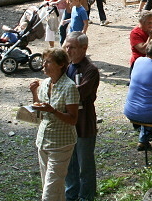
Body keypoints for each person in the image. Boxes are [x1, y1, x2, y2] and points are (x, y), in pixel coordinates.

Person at [29, 48, 80, 200]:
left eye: (48, 61)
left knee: (49, 193)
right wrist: (34, 94)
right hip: (43, 141)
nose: (44, 65)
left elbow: (72, 119)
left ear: (61, 65)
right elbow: (40, 110)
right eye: (44, 61)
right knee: (52, 188)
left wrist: (53, 111)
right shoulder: (44, 84)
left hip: (61, 144)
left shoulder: (69, 87)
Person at [63, 32, 99, 201]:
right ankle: (71, 195)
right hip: (68, 124)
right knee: (70, 165)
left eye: (72, 47)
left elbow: (78, 94)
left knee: (85, 166)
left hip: (84, 124)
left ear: (84, 48)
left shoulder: (90, 70)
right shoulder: (66, 67)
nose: (68, 50)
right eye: (66, 46)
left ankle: (86, 197)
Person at [129, 11, 152, 75]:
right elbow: (143, 50)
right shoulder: (135, 33)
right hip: (139, 64)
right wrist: (150, 37)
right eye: (149, 23)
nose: (151, 24)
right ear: (141, 22)